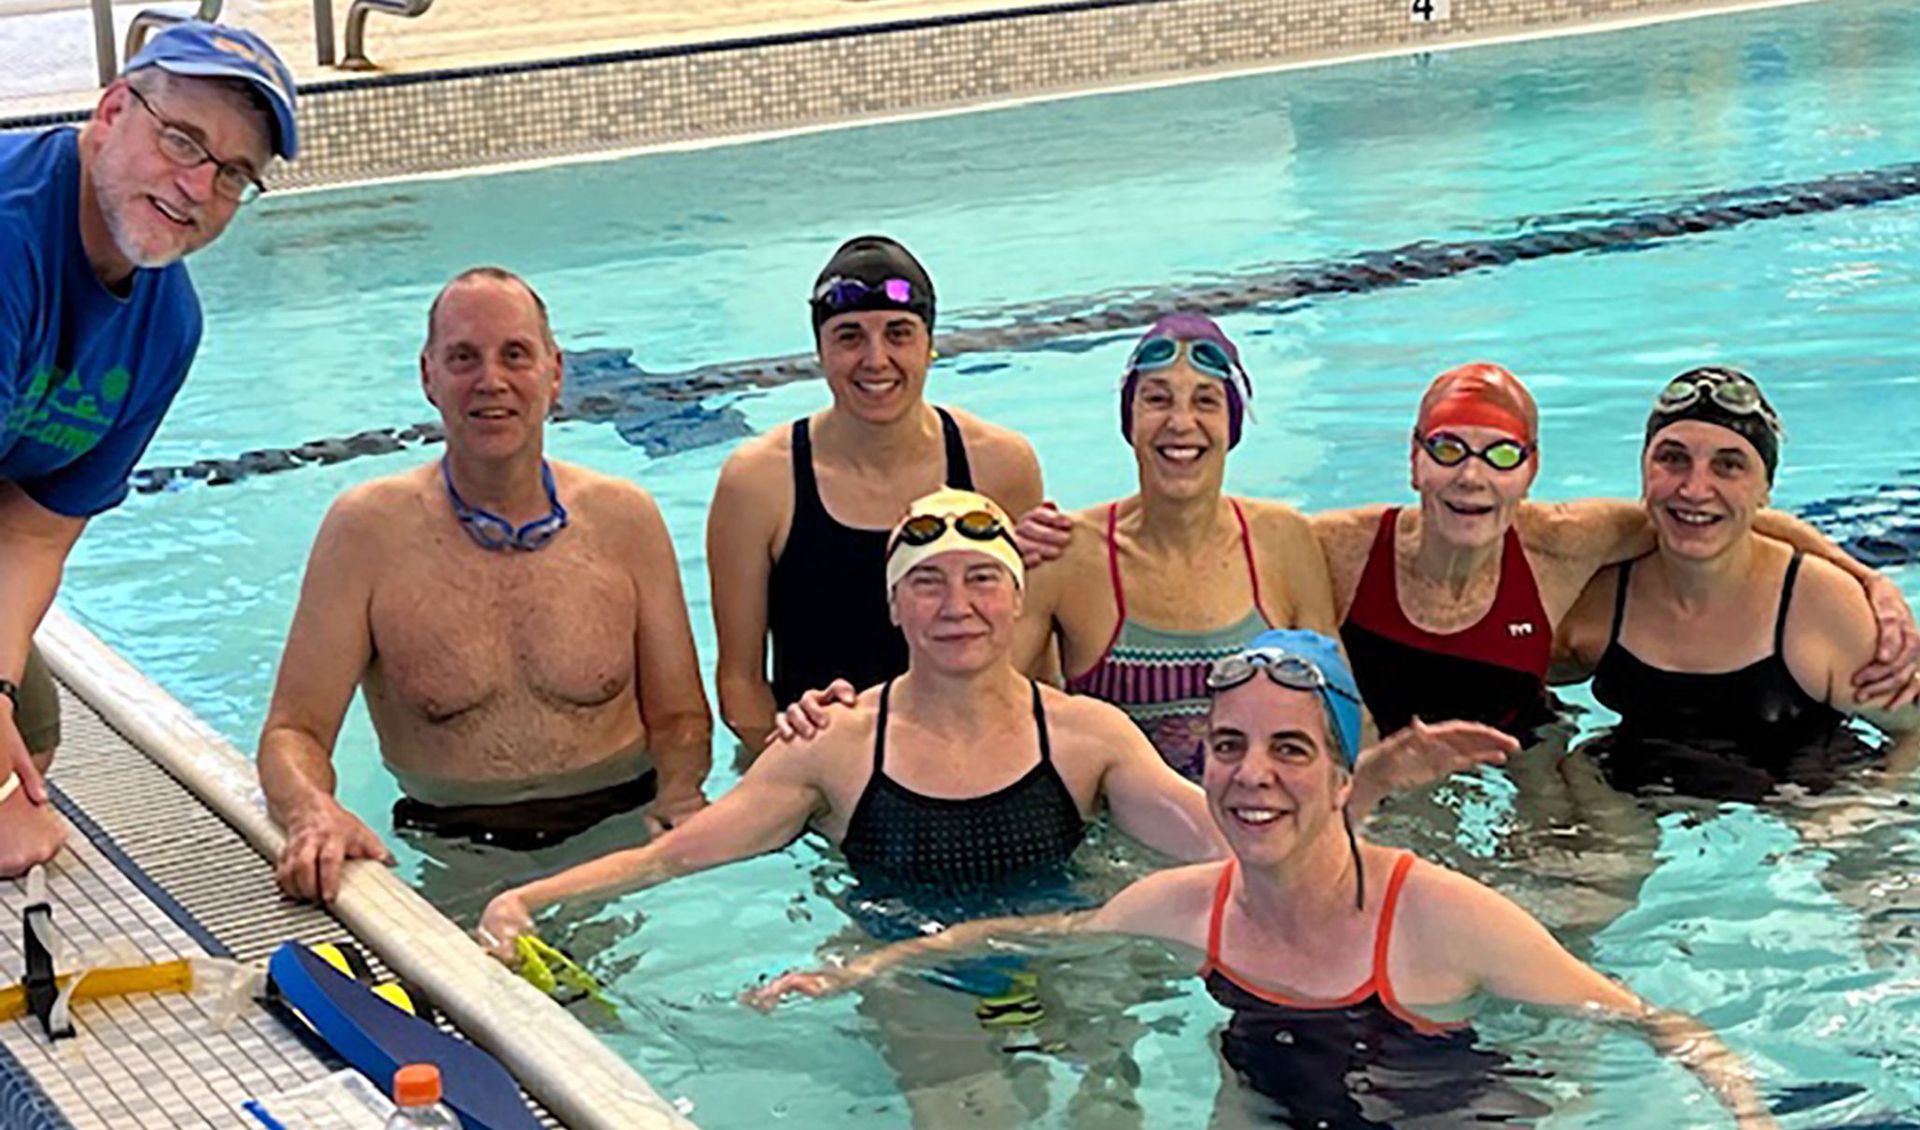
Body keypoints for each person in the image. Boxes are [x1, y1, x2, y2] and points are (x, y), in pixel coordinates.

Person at [749, 630, 1779, 1130]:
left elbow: (1653, 1020)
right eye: (1229, 745)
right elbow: (1028, 934)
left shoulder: (1437, 920)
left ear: (1341, 773)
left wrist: (1749, 1113)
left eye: (1290, 749)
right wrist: (862, 966)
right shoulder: (1188, 905)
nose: (1249, 775)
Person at [1019, 360, 1918, 742]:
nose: (1470, 478)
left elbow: (1716, 517)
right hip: (1389, 789)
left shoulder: (1563, 545)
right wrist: (1057, 545)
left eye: (1498, 456)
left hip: (1515, 775)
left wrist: (1867, 575)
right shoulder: (1332, 550)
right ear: (1413, 458)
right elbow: (1204, 542)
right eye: (1447, 449)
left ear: (1529, 472)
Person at [260, 268, 712, 903]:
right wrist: (313, 811)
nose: (490, 381)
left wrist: (681, 796)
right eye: (463, 357)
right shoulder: (365, 533)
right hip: (452, 843)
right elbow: (293, 733)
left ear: (555, 374)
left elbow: (681, 717)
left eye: (515, 355)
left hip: (619, 832)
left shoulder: (625, 519)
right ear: (428, 376)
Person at [0, 21, 298, 877]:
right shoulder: (11, 236)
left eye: (233, 173)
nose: (197, 184)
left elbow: (32, 532)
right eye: (182, 140)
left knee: (32, 735)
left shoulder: (168, 325)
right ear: (110, 111)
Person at [706, 236, 1044, 755]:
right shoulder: (757, 484)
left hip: (970, 754)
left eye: (899, 333)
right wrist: (788, 770)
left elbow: (1032, 648)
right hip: (818, 763)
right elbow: (740, 683)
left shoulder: (1000, 465)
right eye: (849, 337)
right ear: (820, 351)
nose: (876, 359)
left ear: (929, 343)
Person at [1555, 366, 1920, 800]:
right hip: (1640, 777)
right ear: (1643, 471)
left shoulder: (1822, 607)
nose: (1694, 488)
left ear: (1765, 490)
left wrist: (1862, 807)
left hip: (1808, 788)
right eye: (1672, 458)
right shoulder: (1594, 599)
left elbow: (1914, 736)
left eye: (1728, 466)